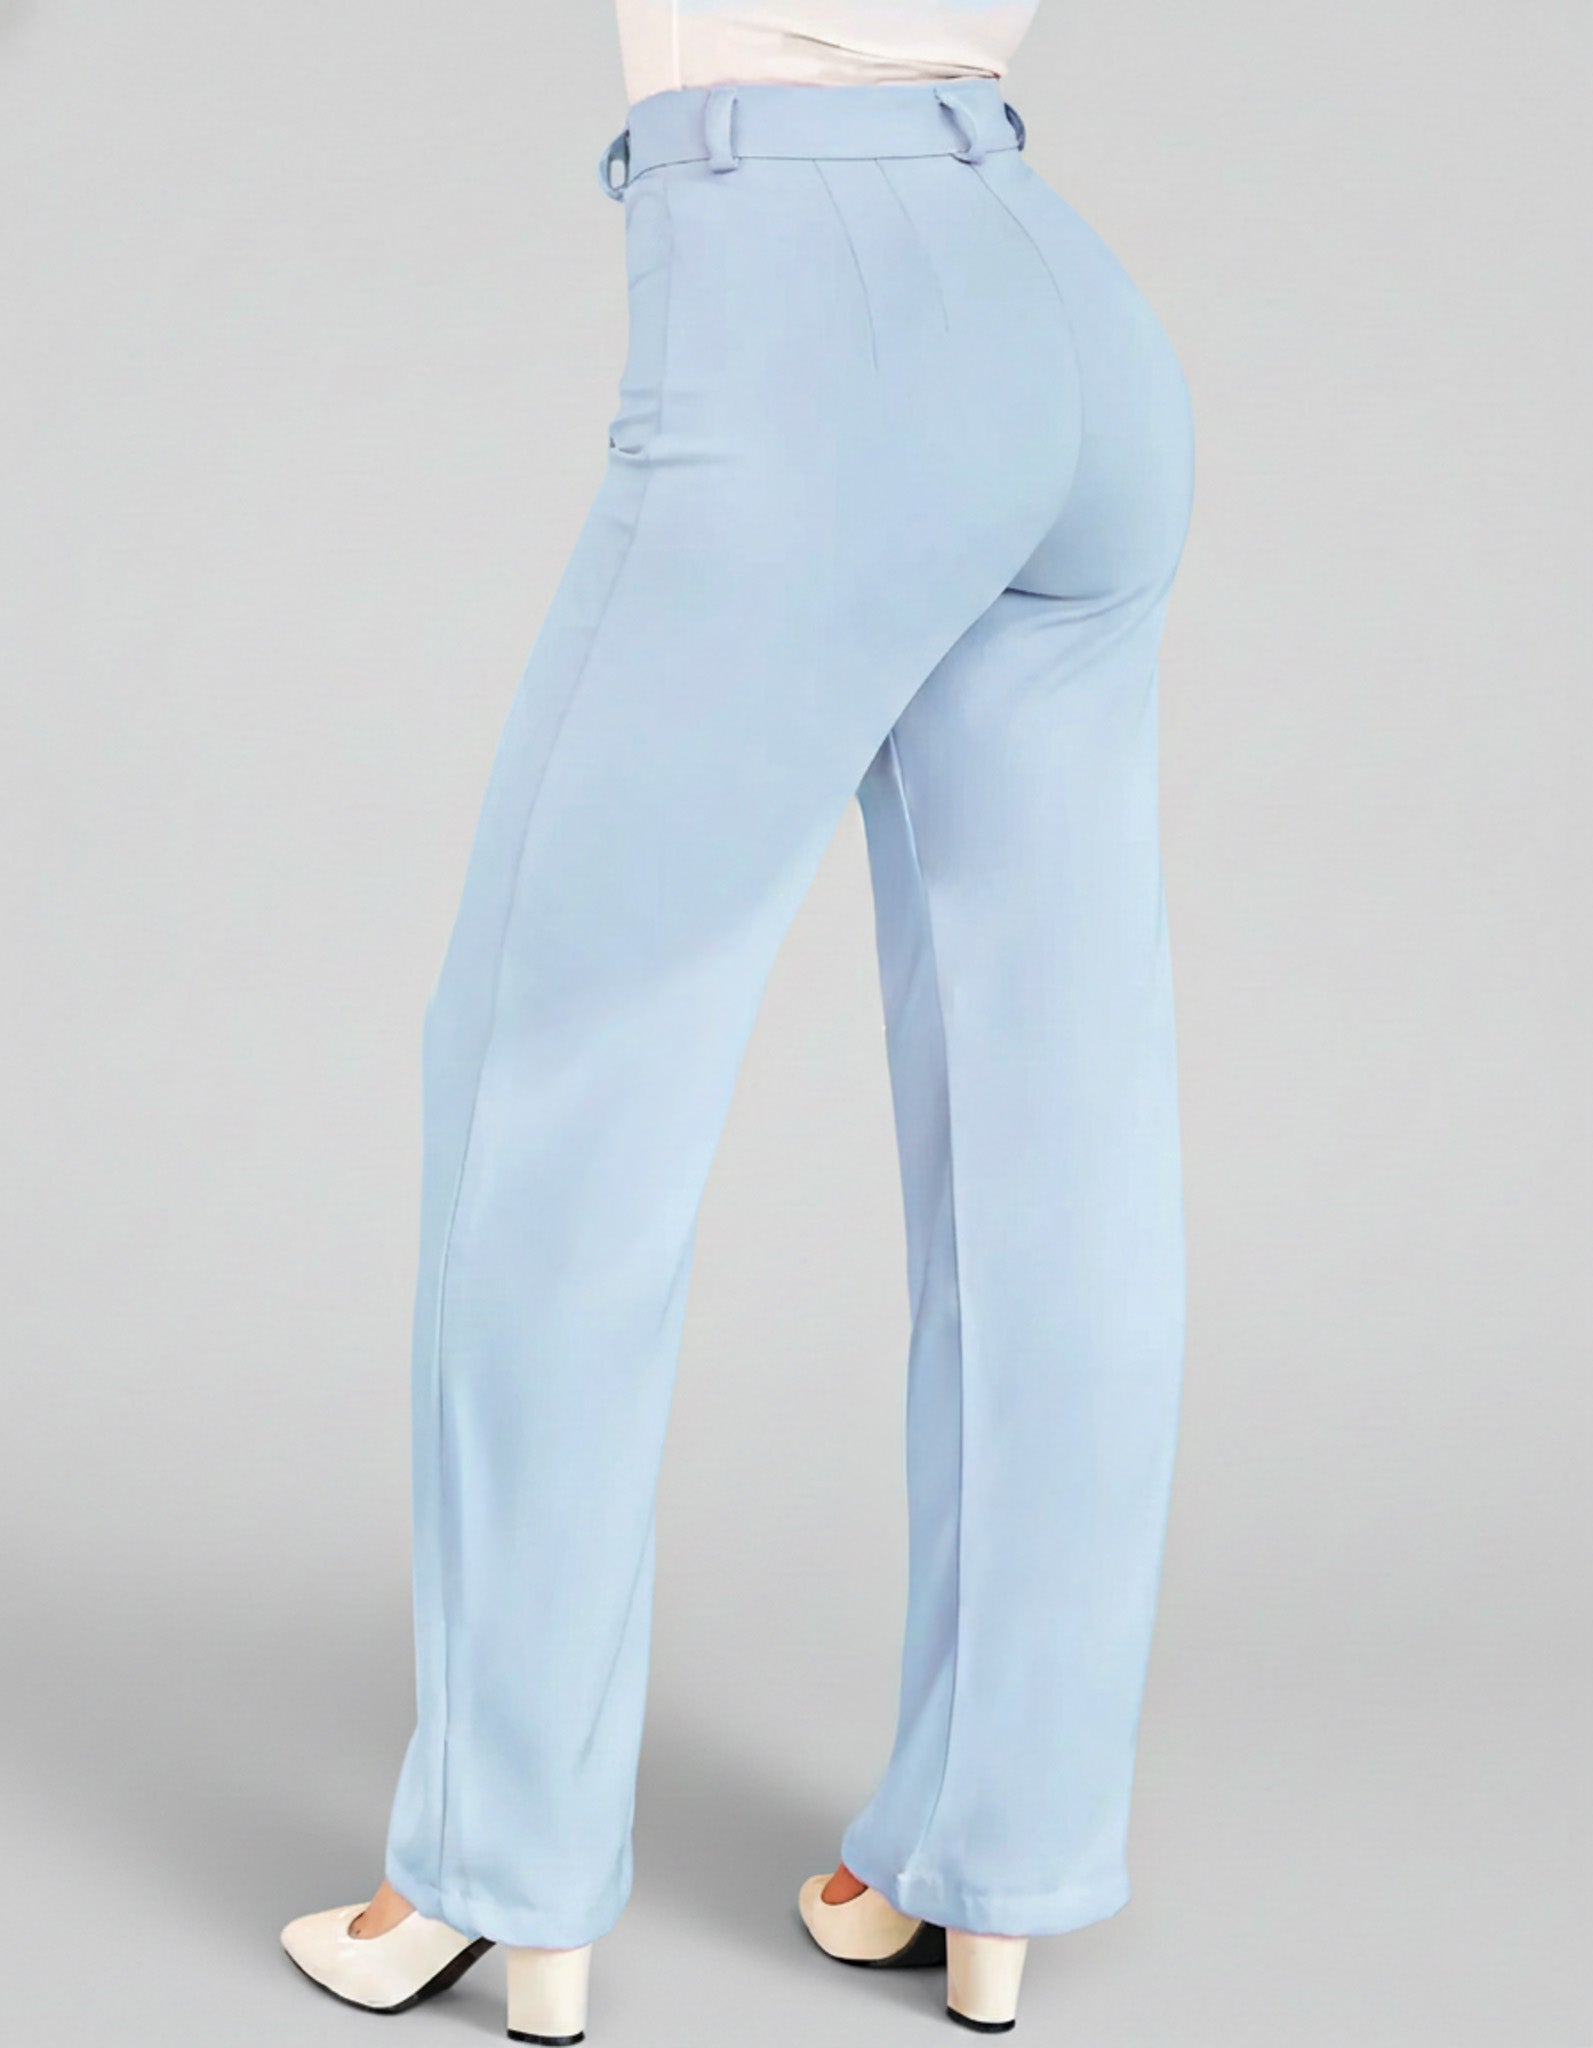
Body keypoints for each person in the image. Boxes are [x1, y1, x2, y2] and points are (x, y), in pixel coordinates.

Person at [279, 2, 1195, 2038]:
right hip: (1058, 298)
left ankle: (497, 1871)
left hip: (795, 298)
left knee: (550, 1092)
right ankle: (991, 1857)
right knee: (1057, 1136)